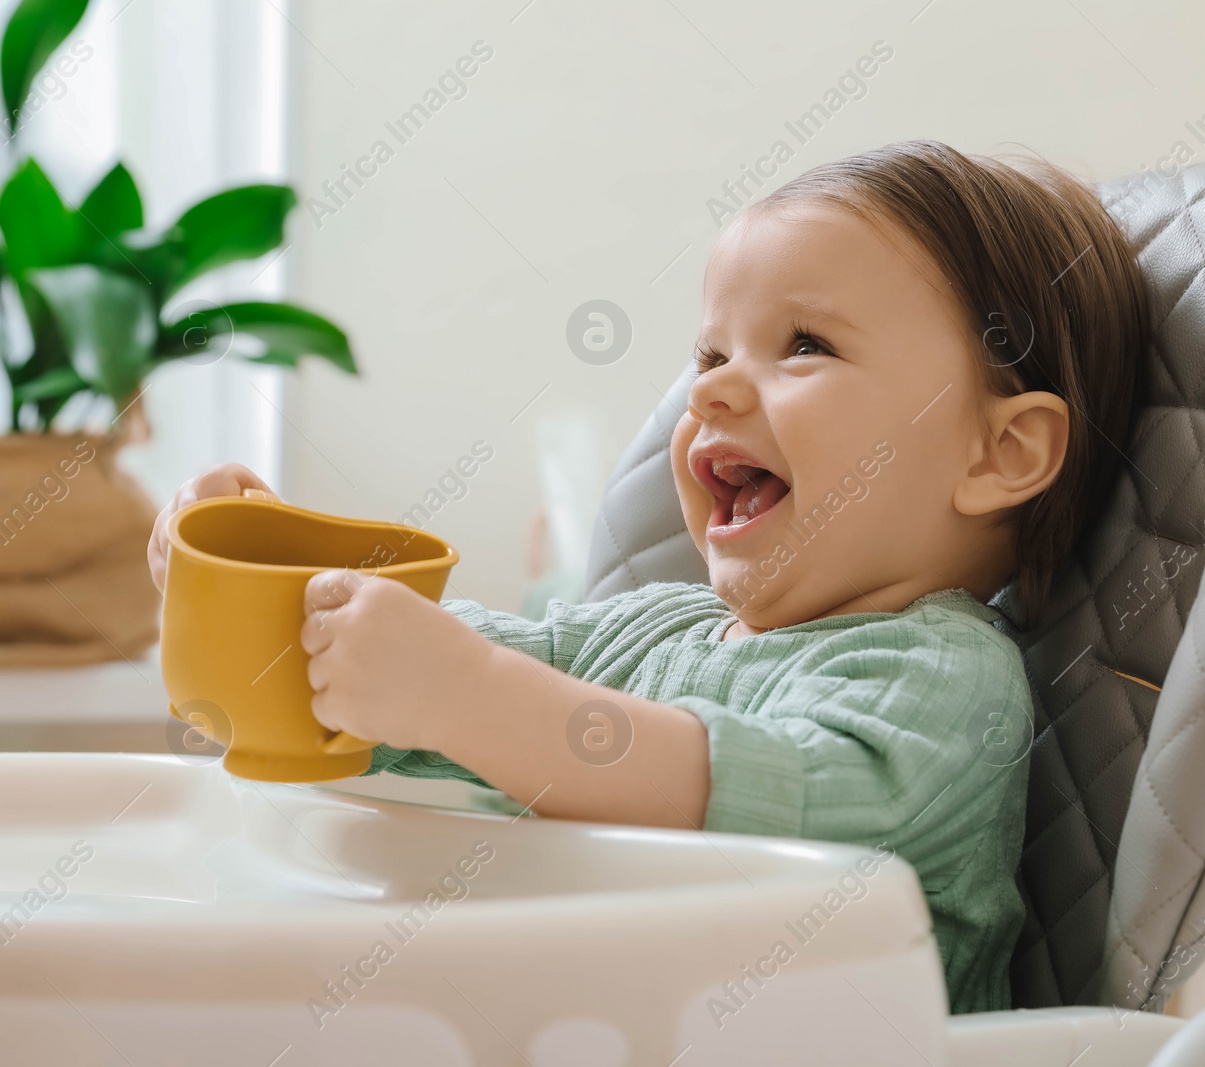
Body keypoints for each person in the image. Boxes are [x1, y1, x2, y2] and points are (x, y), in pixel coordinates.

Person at [146, 139, 1149, 1014]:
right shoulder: (643, 634)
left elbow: (744, 792)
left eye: (806, 345)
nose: (707, 385)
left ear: (998, 454)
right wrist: (251, 590)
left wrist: (470, 695)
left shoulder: (942, 682)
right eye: (711, 349)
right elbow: (377, 702)